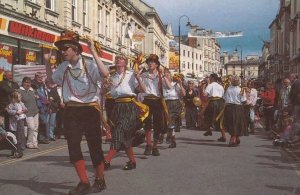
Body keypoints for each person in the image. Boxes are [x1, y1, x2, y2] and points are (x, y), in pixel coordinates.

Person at [45, 30, 109, 194]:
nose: (63, 51)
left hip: (89, 110)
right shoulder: (63, 67)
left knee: (94, 146)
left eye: (66, 48)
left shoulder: (89, 65)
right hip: (71, 110)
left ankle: (100, 179)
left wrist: (93, 51)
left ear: (76, 49)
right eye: (61, 49)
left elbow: (105, 74)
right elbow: (51, 81)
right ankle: (84, 182)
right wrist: (47, 63)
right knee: (73, 146)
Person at [103, 55, 146, 170]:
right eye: (117, 59)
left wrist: (138, 78)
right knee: (125, 136)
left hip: (129, 106)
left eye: (121, 59)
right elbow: (105, 92)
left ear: (126, 63)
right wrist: (105, 86)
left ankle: (106, 160)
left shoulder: (131, 74)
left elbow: (143, 89)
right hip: (116, 106)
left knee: (119, 131)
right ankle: (132, 162)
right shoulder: (112, 76)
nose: (118, 60)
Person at [141, 54, 165, 156]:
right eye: (149, 62)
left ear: (156, 64)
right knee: (147, 124)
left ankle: (155, 146)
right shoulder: (144, 74)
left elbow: (168, 87)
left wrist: (163, 76)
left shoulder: (160, 75)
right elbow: (140, 88)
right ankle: (148, 145)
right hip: (147, 100)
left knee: (157, 124)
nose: (150, 63)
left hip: (157, 101)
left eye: (153, 62)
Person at [162, 68, 185, 148]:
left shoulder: (175, 84)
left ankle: (172, 139)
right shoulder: (162, 84)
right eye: (165, 75)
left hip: (174, 103)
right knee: (168, 122)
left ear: (170, 77)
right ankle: (170, 137)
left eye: (167, 75)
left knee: (171, 122)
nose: (165, 76)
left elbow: (183, 93)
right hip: (165, 103)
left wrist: (181, 84)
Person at [223, 76, 248, 146]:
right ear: (238, 82)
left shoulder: (228, 89)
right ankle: (232, 140)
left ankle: (236, 137)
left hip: (229, 108)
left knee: (232, 123)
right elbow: (243, 101)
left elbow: (224, 99)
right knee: (237, 123)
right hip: (237, 108)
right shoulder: (240, 90)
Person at [200, 74, 226, 142]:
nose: (209, 79)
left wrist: (203, 87)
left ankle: (209, 129)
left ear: (213, 78)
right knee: (220, 119)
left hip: (213, 102)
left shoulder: (210, 85)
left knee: (205, 115)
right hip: (220, 103)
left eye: (210, 77)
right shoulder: (220, 86)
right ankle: (223, 136)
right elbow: (223, 95)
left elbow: (204, 94)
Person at [17, 77, 39, 149]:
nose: (28, 84)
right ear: (23, 83)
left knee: (36, 128)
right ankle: (29, 143)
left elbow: (35, 98)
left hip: (35, 111)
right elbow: (18, 102)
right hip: (27, 112)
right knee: (31, 127)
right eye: (26, 82)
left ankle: (34, 143)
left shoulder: (32, 90)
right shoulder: (19, 91)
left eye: (29, 82)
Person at [31, 72, 50, 144]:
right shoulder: (33, 85)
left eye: (41, 77)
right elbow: (37, 97)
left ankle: (42, 138)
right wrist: (39, 107)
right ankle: (41, 138)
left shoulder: (42, 84)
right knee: (44, 122)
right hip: (39, 106)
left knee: (44, 123)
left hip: (45, 106)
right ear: (35, 77)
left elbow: (45, 94)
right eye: (39, 77)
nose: (41, 79)